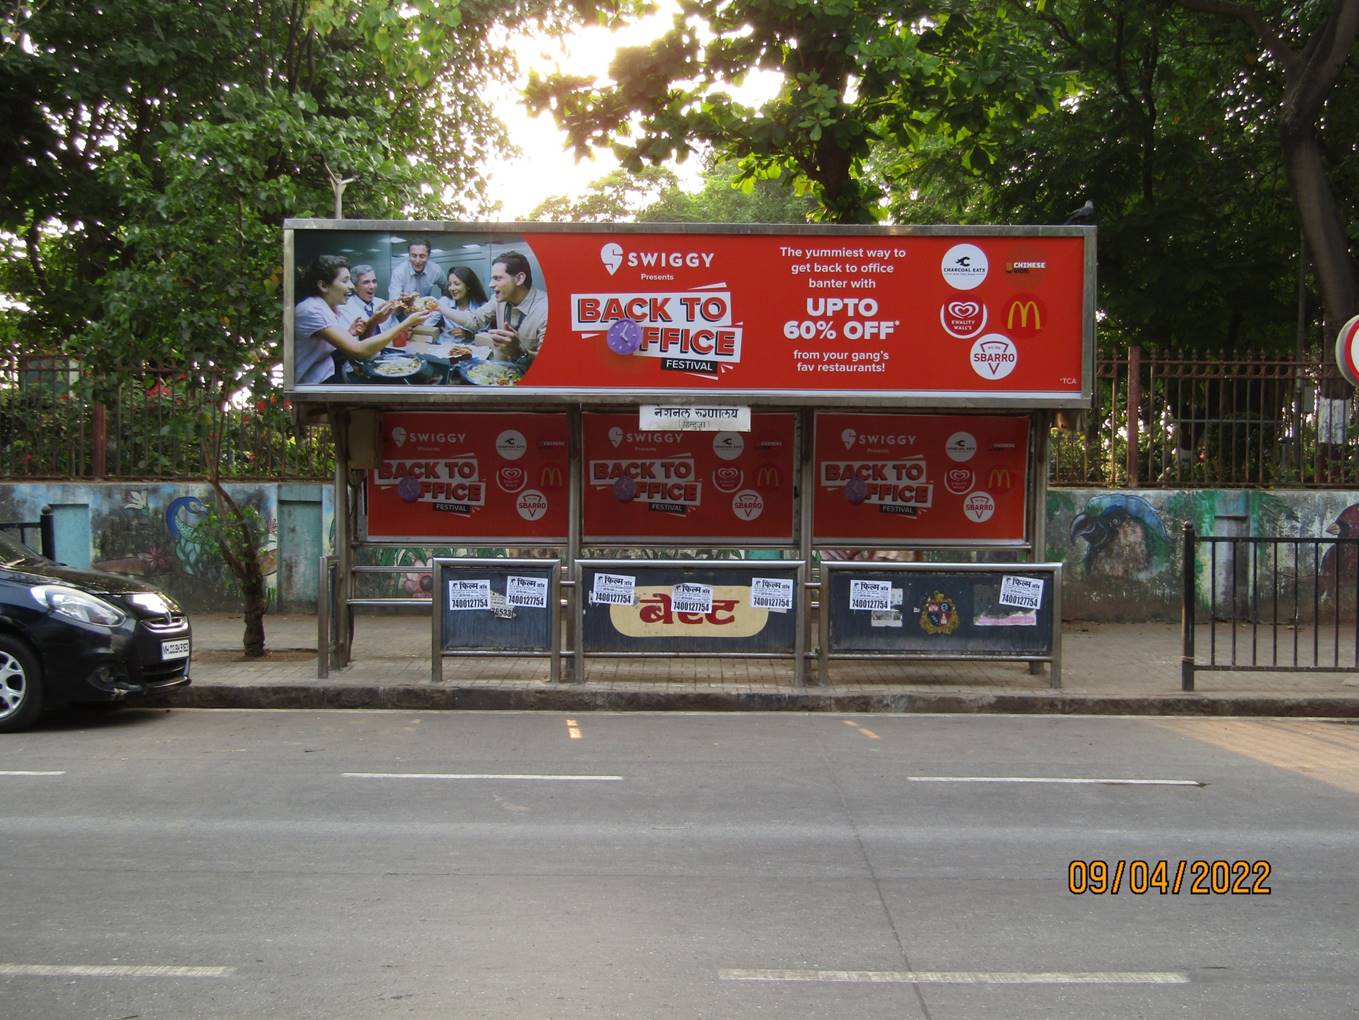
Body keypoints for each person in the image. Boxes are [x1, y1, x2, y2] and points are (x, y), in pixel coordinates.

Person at [295, 255, 432, 384]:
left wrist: (355, 331)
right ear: (323, 286)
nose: (350, 286)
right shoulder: (312, 310)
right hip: (313, 383)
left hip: (329, 375)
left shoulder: (329, 308)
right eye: (345, 281)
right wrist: (406, 323)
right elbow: (359, 350)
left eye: (374, 281)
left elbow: (335, 347)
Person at [440, 250, 547, 363]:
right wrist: (438, 307)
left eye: (497, 278)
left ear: (519, 279)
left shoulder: (546, 310)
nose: (490, 284)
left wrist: (520, 352)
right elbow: (475, 320)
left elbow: (549, 360)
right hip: (501, 371)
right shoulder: (497, 300)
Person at [337, 264, 399, 339]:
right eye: (366, 282)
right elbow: (350, 342)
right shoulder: (345, 309)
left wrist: (405, 330)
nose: (372, 286)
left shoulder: (381, 303)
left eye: (374, 281)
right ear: (355, 287)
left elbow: (396, 329)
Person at [436, 266, 489, 342]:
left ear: (468, 286)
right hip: (445, 346)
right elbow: (429, 323)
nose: (452, 288)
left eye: (456, 284)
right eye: (450, 284)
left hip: (470, 349)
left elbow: (487, 335)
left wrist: (470, 335)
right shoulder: (444, 301)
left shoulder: (482, 306)